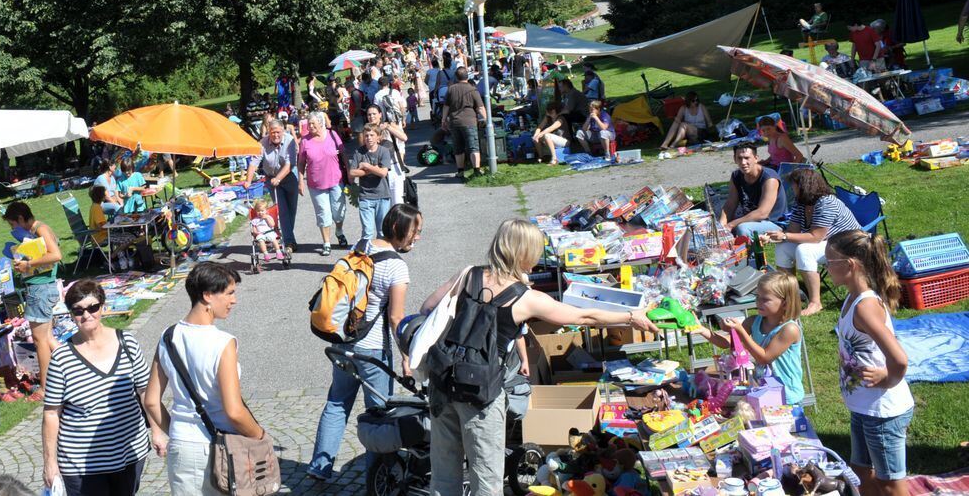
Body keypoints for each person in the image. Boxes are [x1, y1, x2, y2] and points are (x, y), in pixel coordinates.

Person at [422, 219, 658, 495]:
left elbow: (428, 308)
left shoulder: (467, 275)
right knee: (486, 478)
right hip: (480, 393)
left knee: (443, 475)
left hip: (442, 382)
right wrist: (630, 317)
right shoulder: (525, 298)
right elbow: (584, 316)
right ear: (523, 252)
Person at [307, 204, 423, 481]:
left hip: (344, 343)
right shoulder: (396, 266)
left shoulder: (363, 245)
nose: (417, 237)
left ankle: (319, 467)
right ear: (398, 229)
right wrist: (407, 355)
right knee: (379, 416)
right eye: (414, 231)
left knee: (337, 403)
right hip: (372, 351)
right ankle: (378, 476)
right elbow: (396, 318)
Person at [144, 262, 264, 496]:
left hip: (181, 446)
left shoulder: (168, 337)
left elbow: (150, 401)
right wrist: (259, 436)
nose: (234, 300)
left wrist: (179, 432)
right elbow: (234, 411)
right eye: (229, 293)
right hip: (220, 447)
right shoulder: (222, 343)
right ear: (208, 296)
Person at [43, 280, 163, 495]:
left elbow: (145, 391)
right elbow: (52, 413)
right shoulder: (61, 358)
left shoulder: (127, 343)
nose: (86, 315)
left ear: (103, 307)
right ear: (71, 314)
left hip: (130, 453)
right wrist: (50, 462)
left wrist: (157, 430)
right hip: (82, 465)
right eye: (78, 311)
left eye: (93, 308)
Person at [825, 230, 914, 496]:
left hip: (883, 413)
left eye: (829, 262)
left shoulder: (865, 306)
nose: (826, 267)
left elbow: (899, 359)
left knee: (890, 483)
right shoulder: (851, 299)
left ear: (849, 265)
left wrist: (887, 378)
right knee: (860, 473)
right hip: (864, 408)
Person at [763, 168, 861, 316]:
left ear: (804, 186)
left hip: (846, 245)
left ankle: (815, 302)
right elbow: (792, 231)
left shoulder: (827, 203)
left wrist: (785, 236)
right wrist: (773, 237)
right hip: (826, 242)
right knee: (782, 247)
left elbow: (815, 237)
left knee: (804, 250)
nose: (793, 189)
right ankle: (791, 295)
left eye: (795, 186)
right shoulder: (801, 203)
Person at [698, 271, 805, 405]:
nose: (758, 302)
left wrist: (741, 331)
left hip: (787, 395)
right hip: (764, 390)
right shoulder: (753, 321)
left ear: (785, 303)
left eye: (765, 299)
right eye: (757, 297)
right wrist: (703, 330)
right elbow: (727, 343)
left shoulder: (789, 329)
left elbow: (764, 357)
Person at [2, 201, 62, 394]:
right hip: (42, 287)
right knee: (48, 338)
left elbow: (56, 255)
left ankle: (45, 388)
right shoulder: (37, 231)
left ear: (20, 218)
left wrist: (29, 265)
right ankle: (76, 368)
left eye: (13, 224)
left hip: (41, 289)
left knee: (39, 340)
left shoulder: (40, 229)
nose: (13, 229)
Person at [298, 111, 349, 256]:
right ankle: (326, 242)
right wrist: (300, 181)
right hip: (316, 184)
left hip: (336, 180)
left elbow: (344, 154)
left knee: (339, 212)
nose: (310, 126)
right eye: (309, 123)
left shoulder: (332, 135)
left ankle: (339, 231)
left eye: (313, 123)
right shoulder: (305, 141)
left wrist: (350, 172)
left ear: (321, 123)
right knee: (323, 213)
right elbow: (301, 163)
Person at [244, 118, 299, 253]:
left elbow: (289, 164)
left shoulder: (289, 140)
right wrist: (248, 181)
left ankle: (289, 238)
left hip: (289, 177)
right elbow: (253, 163)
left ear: (283, 131)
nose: (275, 135)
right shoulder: (262, 143)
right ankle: (289, 243)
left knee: (291, 210)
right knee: (282, 211)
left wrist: (279, 178)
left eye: (278, 132)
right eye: (272, 132)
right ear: (268, 132)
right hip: (272, 180)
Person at [718, 143, 788, 239]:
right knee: (718, 224)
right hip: (750, 219)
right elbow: (730, 205)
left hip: (773, 222)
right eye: (739, 158)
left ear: (756, 158)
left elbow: (762, 213)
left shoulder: (769, 178)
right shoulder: (736, 176)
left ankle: (747, 253)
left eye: (747, 158)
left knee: (742, 229)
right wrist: (721, 226)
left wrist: (730, 225)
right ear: (734, 159)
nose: (743, 162)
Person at [350, 124, 392, 253]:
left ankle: (381, 256)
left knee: (381, 231)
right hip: (366, 197)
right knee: (367, 232)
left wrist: (366, 166)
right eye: (366, 135)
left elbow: (384, 173)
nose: (368, 138)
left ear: (378, 137)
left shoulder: (384, 151)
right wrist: (373, 170)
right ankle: (364, 258)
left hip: (382, 196)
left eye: (372, 135)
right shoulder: (359, 152)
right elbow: (352, 173)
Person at [442, 67, 486, 181]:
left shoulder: (451, 89)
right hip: (469, 121)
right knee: (473, 146)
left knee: (458, 148)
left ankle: (460, 171)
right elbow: (480, 107)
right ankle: (477, 170)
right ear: (467, 76)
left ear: (456, 77)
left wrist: (443, 120)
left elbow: (446, 106)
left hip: (454, 122)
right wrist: (486, 119)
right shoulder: (472, 89)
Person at [362, 104, 407, 206]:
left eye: (374, 114)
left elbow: (404, 138)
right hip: (376, 170)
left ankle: (398, 222)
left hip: (393, 168)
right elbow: (363, 149)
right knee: (384, 204)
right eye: (369, 114)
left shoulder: (389, 125)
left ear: (380, 115)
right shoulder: (366, 131)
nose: (371, 117)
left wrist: (387, 127)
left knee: (397, 202)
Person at [88, 186, 139, 269]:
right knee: (131, 237)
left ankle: (121, 260)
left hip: (102, 234)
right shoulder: (97, 208)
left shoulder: (94, 206)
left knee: (124, 236)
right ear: (100, 196)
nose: (106, 196)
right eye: (105, 194)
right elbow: (101, 226)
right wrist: (114, 223)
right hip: (101, 237)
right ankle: (111, 258)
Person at [249, 197, 284, 263]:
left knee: (274, 239)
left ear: (266, 211)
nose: (260, 213)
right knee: (261, 240)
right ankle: (266, 254)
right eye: (258, 211)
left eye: (262, 211)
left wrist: (267, 219)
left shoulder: (268, 217)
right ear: (256, 211)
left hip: (269, 232)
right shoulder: (255, 220)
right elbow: (254, 229)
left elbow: (272, 225)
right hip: (260, 234)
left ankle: (278, 252)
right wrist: (256, 233)